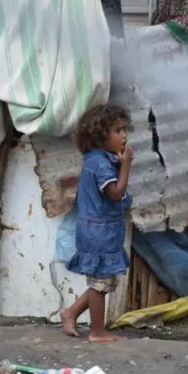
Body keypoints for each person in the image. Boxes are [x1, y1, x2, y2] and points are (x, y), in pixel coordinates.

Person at [60, 104, 133, 342]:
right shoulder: (100, 163)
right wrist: (126, 165)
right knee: (100, 283)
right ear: (100, 136)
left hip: (102, 230)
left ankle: (70, 313)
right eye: (117, 130)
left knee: (101, 281)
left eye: (124, 129)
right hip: (98, 233)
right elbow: (114, 192)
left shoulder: (97, 159)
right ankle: (97, 332)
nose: (124, 135)